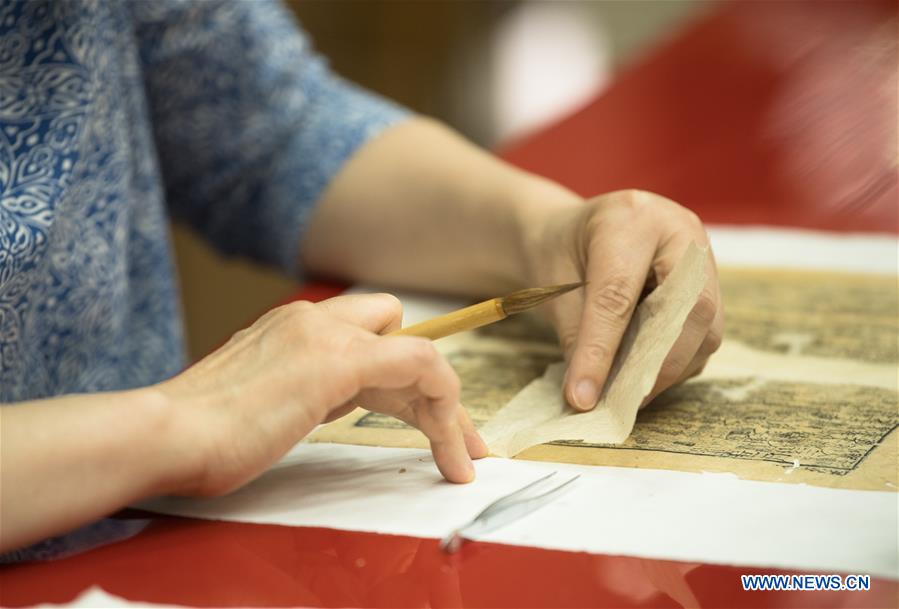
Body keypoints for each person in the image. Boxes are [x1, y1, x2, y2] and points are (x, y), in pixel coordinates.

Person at [0, 1, 722, 556]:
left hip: (159, 542)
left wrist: (544, 231)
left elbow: (271, 127)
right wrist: (175, 423)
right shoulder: (175, 430)